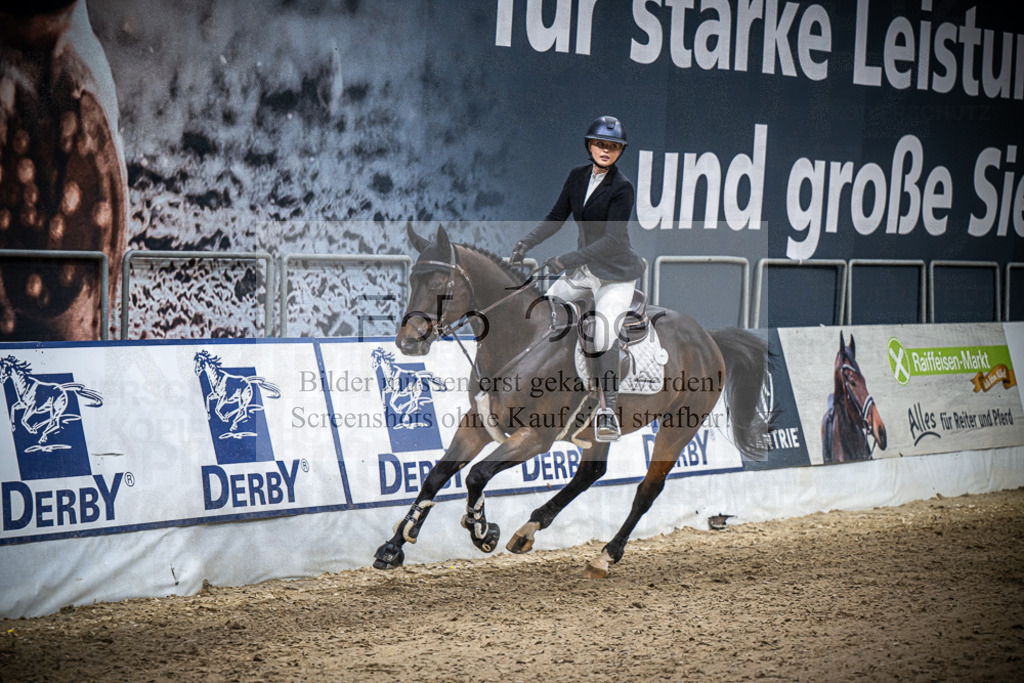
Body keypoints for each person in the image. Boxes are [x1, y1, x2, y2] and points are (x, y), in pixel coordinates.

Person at [509, 115, 645, 442]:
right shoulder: (576, 177)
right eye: (600, 144)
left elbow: (612, 241)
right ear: (589, 145)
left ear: (619, 152)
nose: (605, 150)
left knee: (600, 334)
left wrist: (565, 259)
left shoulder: (622, 187)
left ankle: (607, 409)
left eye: (613, 147)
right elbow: (557, 217)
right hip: (584, 272)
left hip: (614, 276)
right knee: (542, 314)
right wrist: (525, 242)